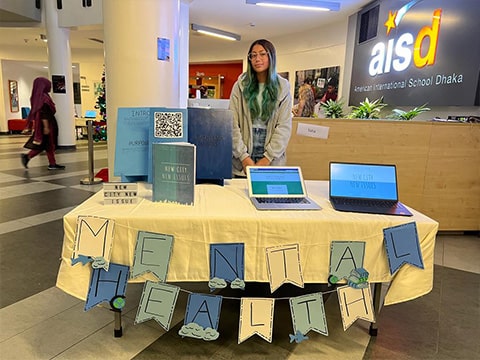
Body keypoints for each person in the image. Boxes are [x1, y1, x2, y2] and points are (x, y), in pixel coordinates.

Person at [229, 39, 292, 177]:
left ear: (271, 57)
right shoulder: (240, 86)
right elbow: (232, 124)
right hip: (242, 154)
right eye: (253, 55)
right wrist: (243, 156)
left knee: (267, 197)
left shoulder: (283, 87)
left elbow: (284, 127)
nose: (257, 59)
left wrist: (268, 158)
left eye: (262, 54)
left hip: (271, 154)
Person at [21, 77, 65, 170]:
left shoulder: (38, 97)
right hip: (46, 124)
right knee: (46, 144)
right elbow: (43, 113)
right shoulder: (43, 98)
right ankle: (28, 157)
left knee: (47, 144)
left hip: (44, 123)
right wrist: (46, 127)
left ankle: (52, 163)